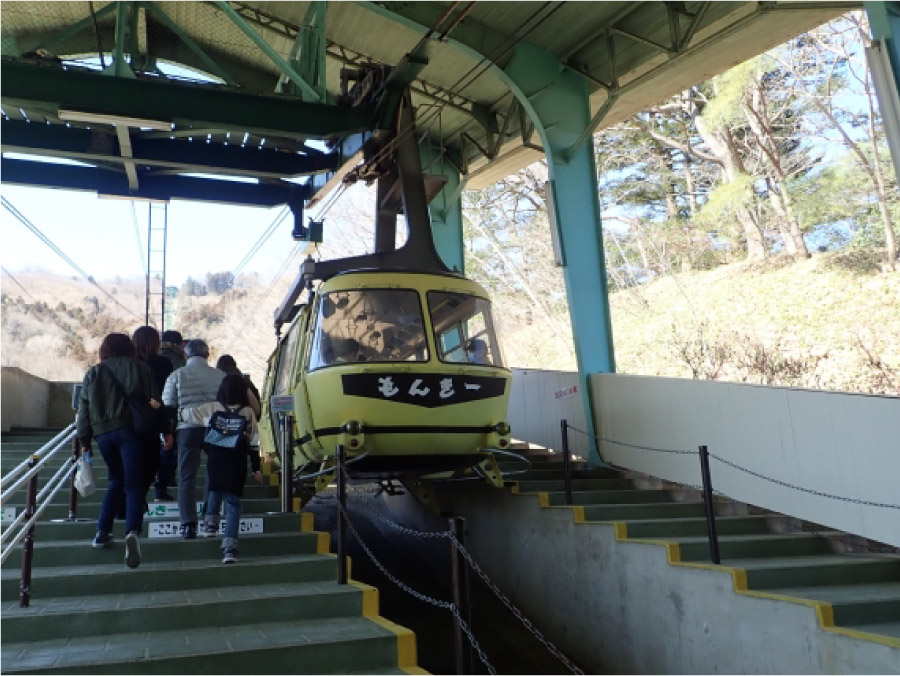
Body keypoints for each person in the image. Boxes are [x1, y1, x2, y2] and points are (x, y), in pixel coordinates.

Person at [76, 332, 161, 569]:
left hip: (103, 434)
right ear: (129, 348)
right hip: (131, 431)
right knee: (133, 483)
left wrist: (85, 441)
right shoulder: (140, 367)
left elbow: (83, 410)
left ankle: (102, 531)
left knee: (116, 479)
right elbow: (154, 400)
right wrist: (164, 428)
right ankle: (132, 531)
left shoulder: (93, 373)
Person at [181, 374, 262, 564]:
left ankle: (210, 525)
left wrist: (176, 412)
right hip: (238, 460)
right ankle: (229, 550)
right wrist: (256, 467)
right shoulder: (248, 412)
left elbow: (189, 414)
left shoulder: (213, 408)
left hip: (216, 458)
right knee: (233, 503)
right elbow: (255, 442)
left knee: (215, 489)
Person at [162, 338, 225, 539]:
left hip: (187, 428)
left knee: (187, 476)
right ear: (207, 355)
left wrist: (167, 432)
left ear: (185, 355)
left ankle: (188, 524)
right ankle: (210, 518)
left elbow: (168, 406)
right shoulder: (220, 375)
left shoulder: (176, 375)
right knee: (214, 472)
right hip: (215, 427)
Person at [132, 326, 176, 502]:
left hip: (134, 415)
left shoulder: (131, 364)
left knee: (137, 454)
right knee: (166, 451)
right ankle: (161, 488)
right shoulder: (164, 364)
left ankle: (137, 493)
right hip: (159, 411)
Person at [215, 354, 261, 419]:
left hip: (223, 421)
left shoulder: (217, 381)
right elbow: (257, 411)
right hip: (245, 420)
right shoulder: (245, 381)